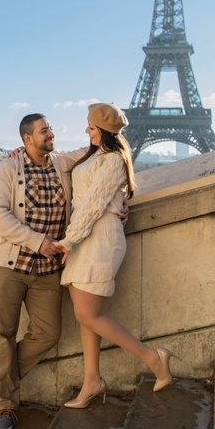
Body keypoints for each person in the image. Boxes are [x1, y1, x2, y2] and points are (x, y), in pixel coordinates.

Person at [58, 102, 174, 409]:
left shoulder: (113, 161)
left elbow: (95, 205)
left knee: (88, 314)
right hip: (85, 236)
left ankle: (153, 358)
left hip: (98, 238)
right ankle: (92, 381)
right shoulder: (93, 155)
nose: (86, 130)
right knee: (86, 315)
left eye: (91, 126)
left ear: (104, 131)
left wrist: (68, 241)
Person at [0, 113, 87, 429]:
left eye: (50, 128)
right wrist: (38, 242)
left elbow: (95, 156)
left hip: (46, 269)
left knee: (49, 332)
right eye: (45, 130)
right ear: (28, 139)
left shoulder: (61, 163)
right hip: (7, 265)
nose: (51, 133)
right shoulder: (7, 168)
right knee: (4, 332)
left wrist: (121, 199)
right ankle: (4, 404)